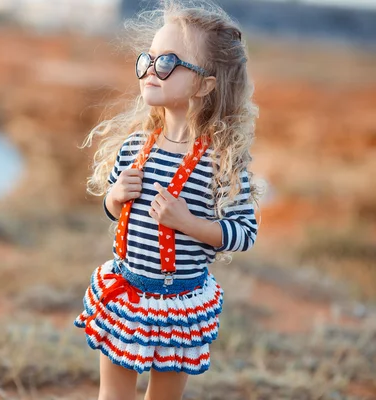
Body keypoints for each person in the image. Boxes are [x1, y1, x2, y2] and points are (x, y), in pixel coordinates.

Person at [74, 1, 262, 399]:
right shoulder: (135, 147)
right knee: (113, 395)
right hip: (125, 292)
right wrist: (114, 195)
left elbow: (244, 232)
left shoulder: (222, 163)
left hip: (180, 307)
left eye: (167, 63)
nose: (149, 71)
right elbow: (113, 211)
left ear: (206, 84)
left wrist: (189, 224)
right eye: (148, 60)